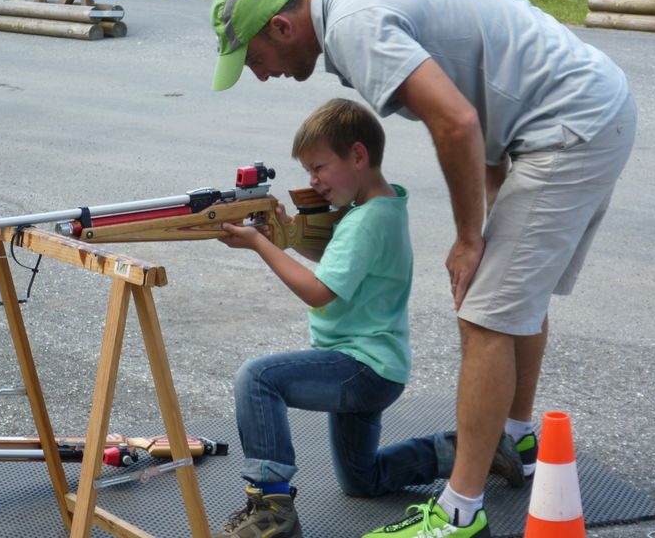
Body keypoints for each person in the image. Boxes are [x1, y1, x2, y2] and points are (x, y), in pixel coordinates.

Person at [210, 0, 636, 537]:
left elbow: (456, 121)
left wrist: (468, 236)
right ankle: (511, 440)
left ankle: (458, 513)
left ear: (282, 29)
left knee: (483, 318)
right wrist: (493, 196)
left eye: (256, 60)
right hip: (583, 107)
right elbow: (475, 88)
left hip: (566, 122)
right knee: (514, 302)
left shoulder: (354, 28)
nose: (262, 76)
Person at [213, 98, 521, 538]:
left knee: (258, 379)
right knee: (363, 480)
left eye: (319, 168)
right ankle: (474, 450)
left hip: (358, 367)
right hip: (377, 366)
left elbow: (320, 291)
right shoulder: (384, 205)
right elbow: (342, 262)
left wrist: (263, 247)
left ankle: (271, 507)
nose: (313, 181)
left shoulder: (363, 221)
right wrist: (289, 237)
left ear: (358, 155)